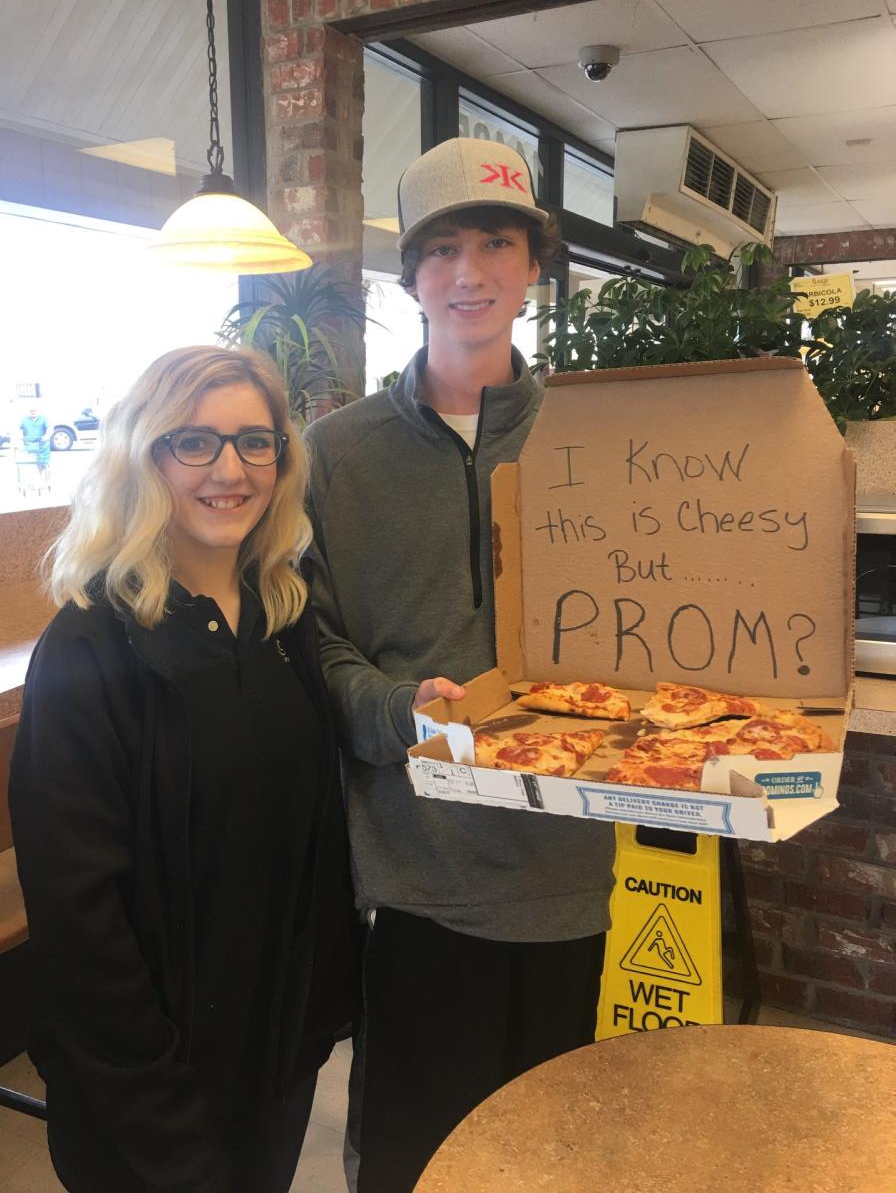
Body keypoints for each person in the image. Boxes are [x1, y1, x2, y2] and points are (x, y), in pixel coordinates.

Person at [304, 137, 618, 1193]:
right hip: (413, 871)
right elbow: (317, 639)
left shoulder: (605, 440)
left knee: (548, 1147)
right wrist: (395, 707)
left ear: (536, 265)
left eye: (497, 242)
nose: (471, 272)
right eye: (443, 250)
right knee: (413, 1157)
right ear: (413, 278)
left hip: (565, 866)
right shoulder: (335, 454)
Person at [10, 345, 358, 1193]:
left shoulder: (285, 617)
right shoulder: (93, 641)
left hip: (273, 1056)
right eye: (194, 442)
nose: (229, 469)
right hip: (149, 1094)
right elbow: (79, 920)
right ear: (144, 455)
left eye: (255, 441)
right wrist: (162, 1124)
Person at [20, 405, 51, 474]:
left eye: (35, 411)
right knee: (23, 460)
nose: (33, 412)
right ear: (29, 412)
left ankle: (42, 473)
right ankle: (34, 475)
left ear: (38, 411)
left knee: (42, 460)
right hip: (28, 444)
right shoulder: (25, 420)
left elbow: (49, 429)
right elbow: (18, 429)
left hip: (41, 444)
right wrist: (19, 437)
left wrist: (46, 436)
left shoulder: (43, 418)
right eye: (31, 411)